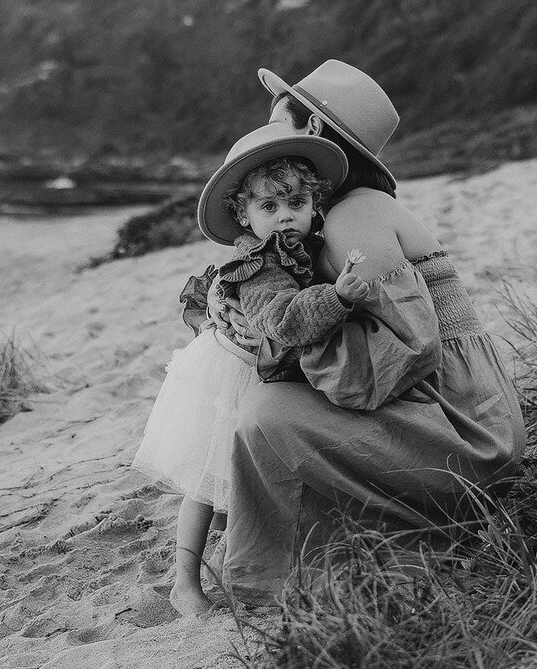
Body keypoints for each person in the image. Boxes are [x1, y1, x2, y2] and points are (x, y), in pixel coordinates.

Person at [215, 58, 528, 605]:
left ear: (311, 129)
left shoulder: (351, 219)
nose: (265, 131)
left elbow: (406, 351)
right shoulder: (327, 219)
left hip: (463, 425)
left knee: (264, 413)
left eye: (276, 120)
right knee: (255, 397)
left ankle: (313, 560)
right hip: (449, 406)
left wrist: (282, 340)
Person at [130, 123, 370, 618]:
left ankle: (243, 562)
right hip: (232, 373)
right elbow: (281, 320)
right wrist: (339, 296)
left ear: (314, 204)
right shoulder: (259, 261)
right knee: (206, 482)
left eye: (296, 204)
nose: (285, 218)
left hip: (258, 371)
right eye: (269, 207)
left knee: (236, 482)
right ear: (243, 213)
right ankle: (185, 584)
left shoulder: (295, 245)